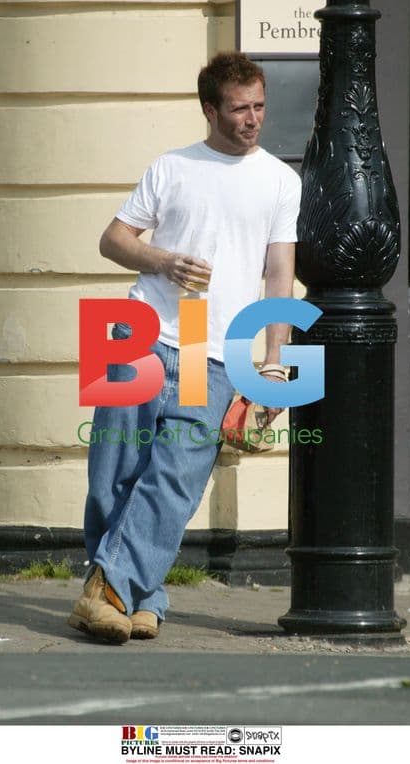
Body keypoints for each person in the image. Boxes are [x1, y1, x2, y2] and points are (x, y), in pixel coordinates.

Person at [68, 51, 301, 644]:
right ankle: (141, 596)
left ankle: (109, 592)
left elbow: (280, 275)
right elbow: (113, 240)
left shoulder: (281, 180)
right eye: (239, 108)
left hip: (209, 344)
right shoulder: (172, 167)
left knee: (174, 479)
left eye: (259, 106)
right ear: (209, 110)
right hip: (140, 327)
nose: (253, 119)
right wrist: (163, 260)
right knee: (112, 474)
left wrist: (275, 362)